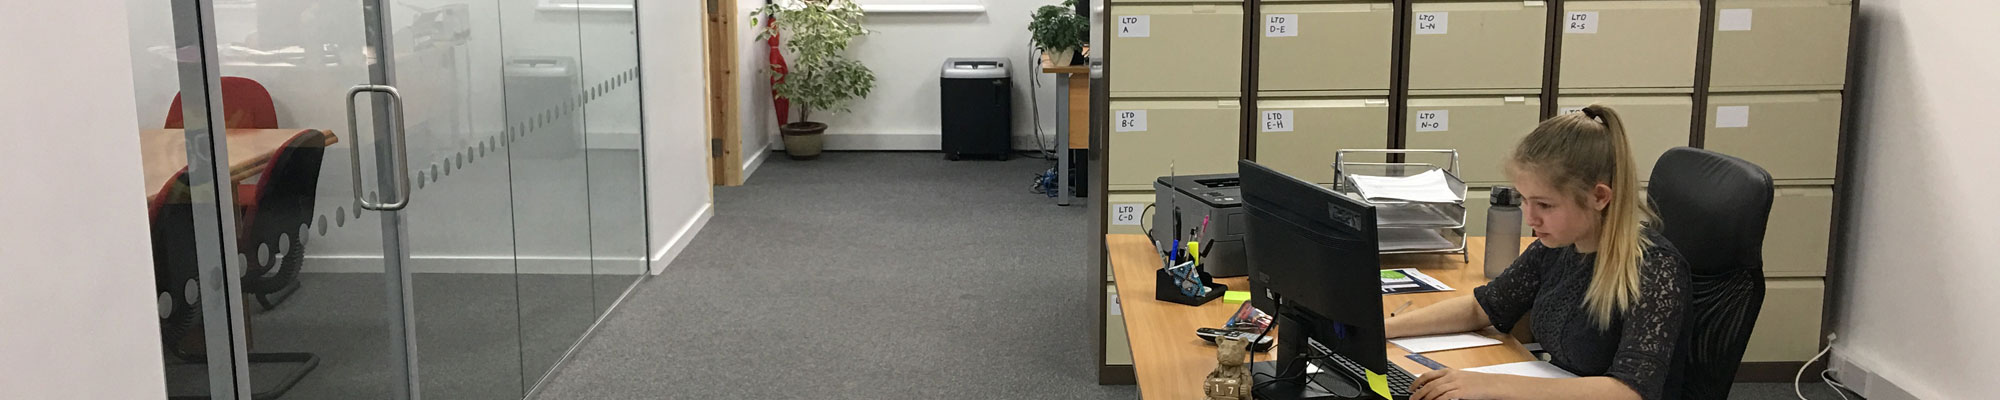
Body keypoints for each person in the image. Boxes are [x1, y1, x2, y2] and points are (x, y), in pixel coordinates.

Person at [1386, 105, 1691, 400]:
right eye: (1525, 199)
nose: (1530, 218)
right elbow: (1483, 307)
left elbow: (1629, 392)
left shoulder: (1655, 269)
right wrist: (1383, 329)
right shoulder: (1559, 245)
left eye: (1545, 205)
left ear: (1599, 197)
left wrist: (1490, 385)